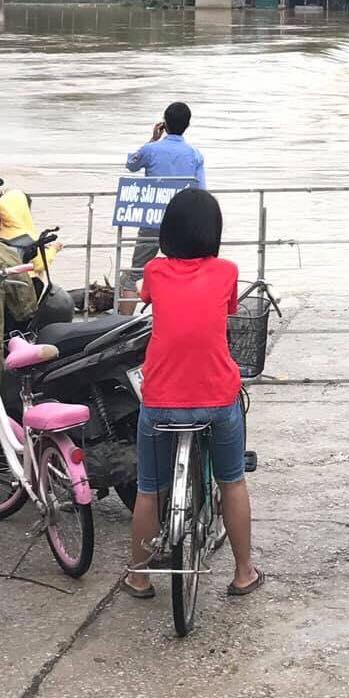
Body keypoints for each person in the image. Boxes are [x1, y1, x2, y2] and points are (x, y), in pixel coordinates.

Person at [123, 187, 262, 599]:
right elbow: (227, 313)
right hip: (218, 398)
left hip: (160, 400)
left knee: (150, 489)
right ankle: (243, 572)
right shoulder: (226, 271)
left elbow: (144, 302)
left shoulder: (155, 272)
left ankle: (139, 576)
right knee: (233, 480)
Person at [125, 102, 207, 270]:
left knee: (138, 269)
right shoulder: (195, 154)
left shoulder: (150, 150)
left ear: (164, 124)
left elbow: (131, 164)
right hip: (182, 219)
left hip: (152, 216)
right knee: (183, 267)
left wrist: (153, 139)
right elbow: (201, 191)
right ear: (187, 125)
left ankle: (130, 295)